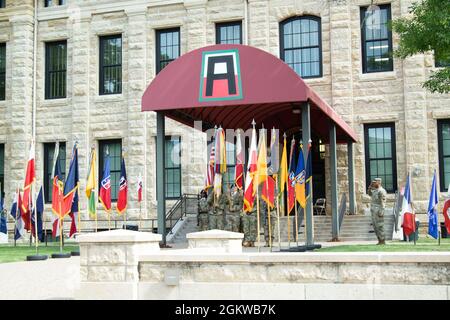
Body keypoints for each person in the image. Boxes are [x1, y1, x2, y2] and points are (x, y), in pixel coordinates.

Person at [368, 178, 387, 245]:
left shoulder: (381, 191)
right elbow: (369, 194)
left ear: (379, 182)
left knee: (380, 226)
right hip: (373, 211)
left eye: (374, 182)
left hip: (378, 210)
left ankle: (382, 240)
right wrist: (370, 187)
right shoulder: (375, 191)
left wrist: (382, 210)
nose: (373, 183)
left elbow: (383, 201)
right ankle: (379, 240)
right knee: (375, 226)